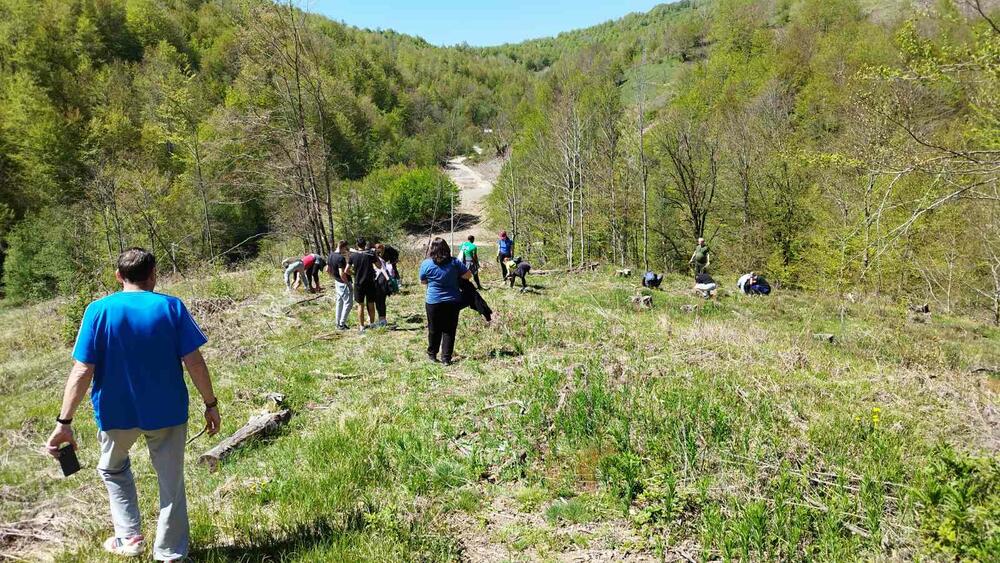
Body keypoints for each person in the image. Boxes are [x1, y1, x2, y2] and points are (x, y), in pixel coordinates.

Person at [45, 248, 220, 562]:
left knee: (112, 469)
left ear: (118, 276)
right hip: (168, 412)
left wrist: (64, 422)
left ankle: (129, 536)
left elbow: (83, 369)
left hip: (116, 414)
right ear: (153, 274)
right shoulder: (171, 307)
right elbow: (194, 361)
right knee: (171, 482)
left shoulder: (98, 310)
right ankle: (170, 554)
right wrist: (210, 403)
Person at [420, 238, 473, 365]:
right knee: (449, 330)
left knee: (433, 329)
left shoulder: (426, 264)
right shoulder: (455, 262)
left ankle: (432, 354)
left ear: (432, 249)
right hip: (452, 300)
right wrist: (455, 277)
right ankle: (446, 358)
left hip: (433, 301)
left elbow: (423, 281)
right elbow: (468, 275)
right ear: (446, 249)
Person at [349, 238, 378, 330]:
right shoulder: (370, 254)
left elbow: (346, 270)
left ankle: (361, 326)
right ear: (365, 244)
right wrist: (375, 255)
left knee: (360, 305)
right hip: (370, 282)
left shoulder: (353, 255)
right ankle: (372, 324)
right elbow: (379, 265)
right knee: (371, 303)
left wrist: (354, 274)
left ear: (357, 245)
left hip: (358, 283)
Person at [327, 240, 353, 330]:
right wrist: (347, 284)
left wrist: (334, 277)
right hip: (343, 283)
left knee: (339, 302)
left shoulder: (330, 255)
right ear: (343, 247)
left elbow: (327, 269)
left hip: (337, 282)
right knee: (348, 303)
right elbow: (342, 273)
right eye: (346, 248)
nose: (346, 250)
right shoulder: (340, 258)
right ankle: (342, 324)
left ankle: (337, 323)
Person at [372, 243, 394, 328]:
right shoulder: (381, 259)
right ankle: (382, 319)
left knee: (379, 302)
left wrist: (388, 279)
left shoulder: (378, 261)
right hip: (383, 281)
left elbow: (383, 270)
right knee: (381, 302)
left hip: (380, 282)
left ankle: (382, 321)